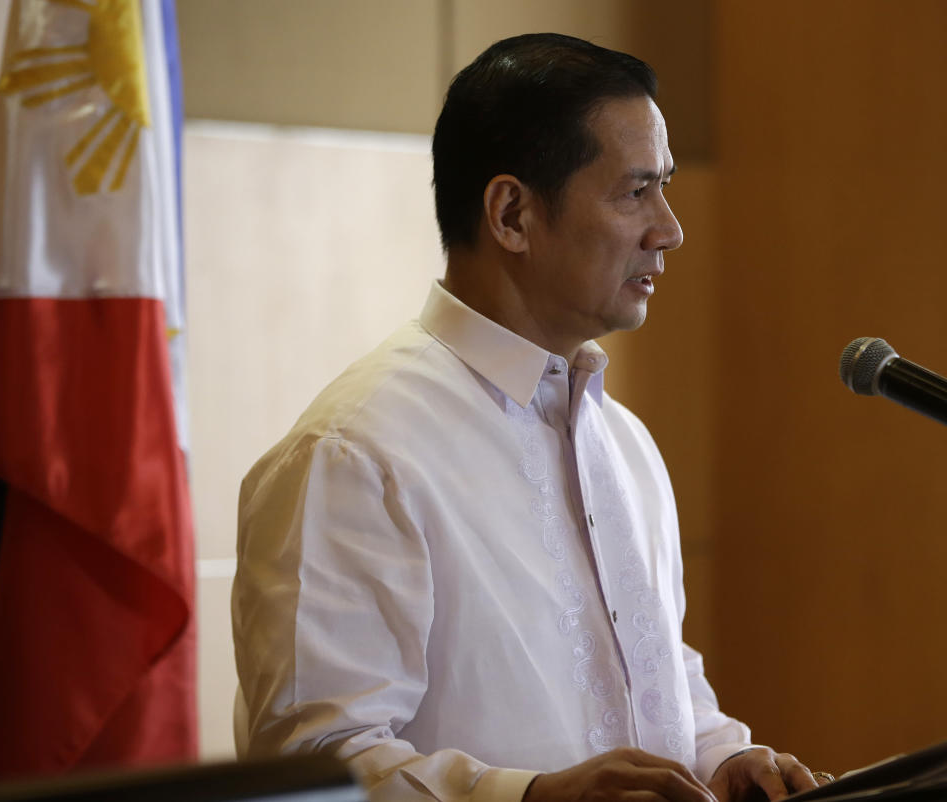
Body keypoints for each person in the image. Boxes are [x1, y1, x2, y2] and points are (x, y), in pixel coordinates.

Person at [232, 33, 829, 802]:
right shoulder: (355, 454)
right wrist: (533, 797)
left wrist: (719, 756)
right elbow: (310, 773)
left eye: (667, 186)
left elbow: (656, 679)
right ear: (512, 213)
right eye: (634, 191)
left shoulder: (626, 442)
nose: (669, 228)